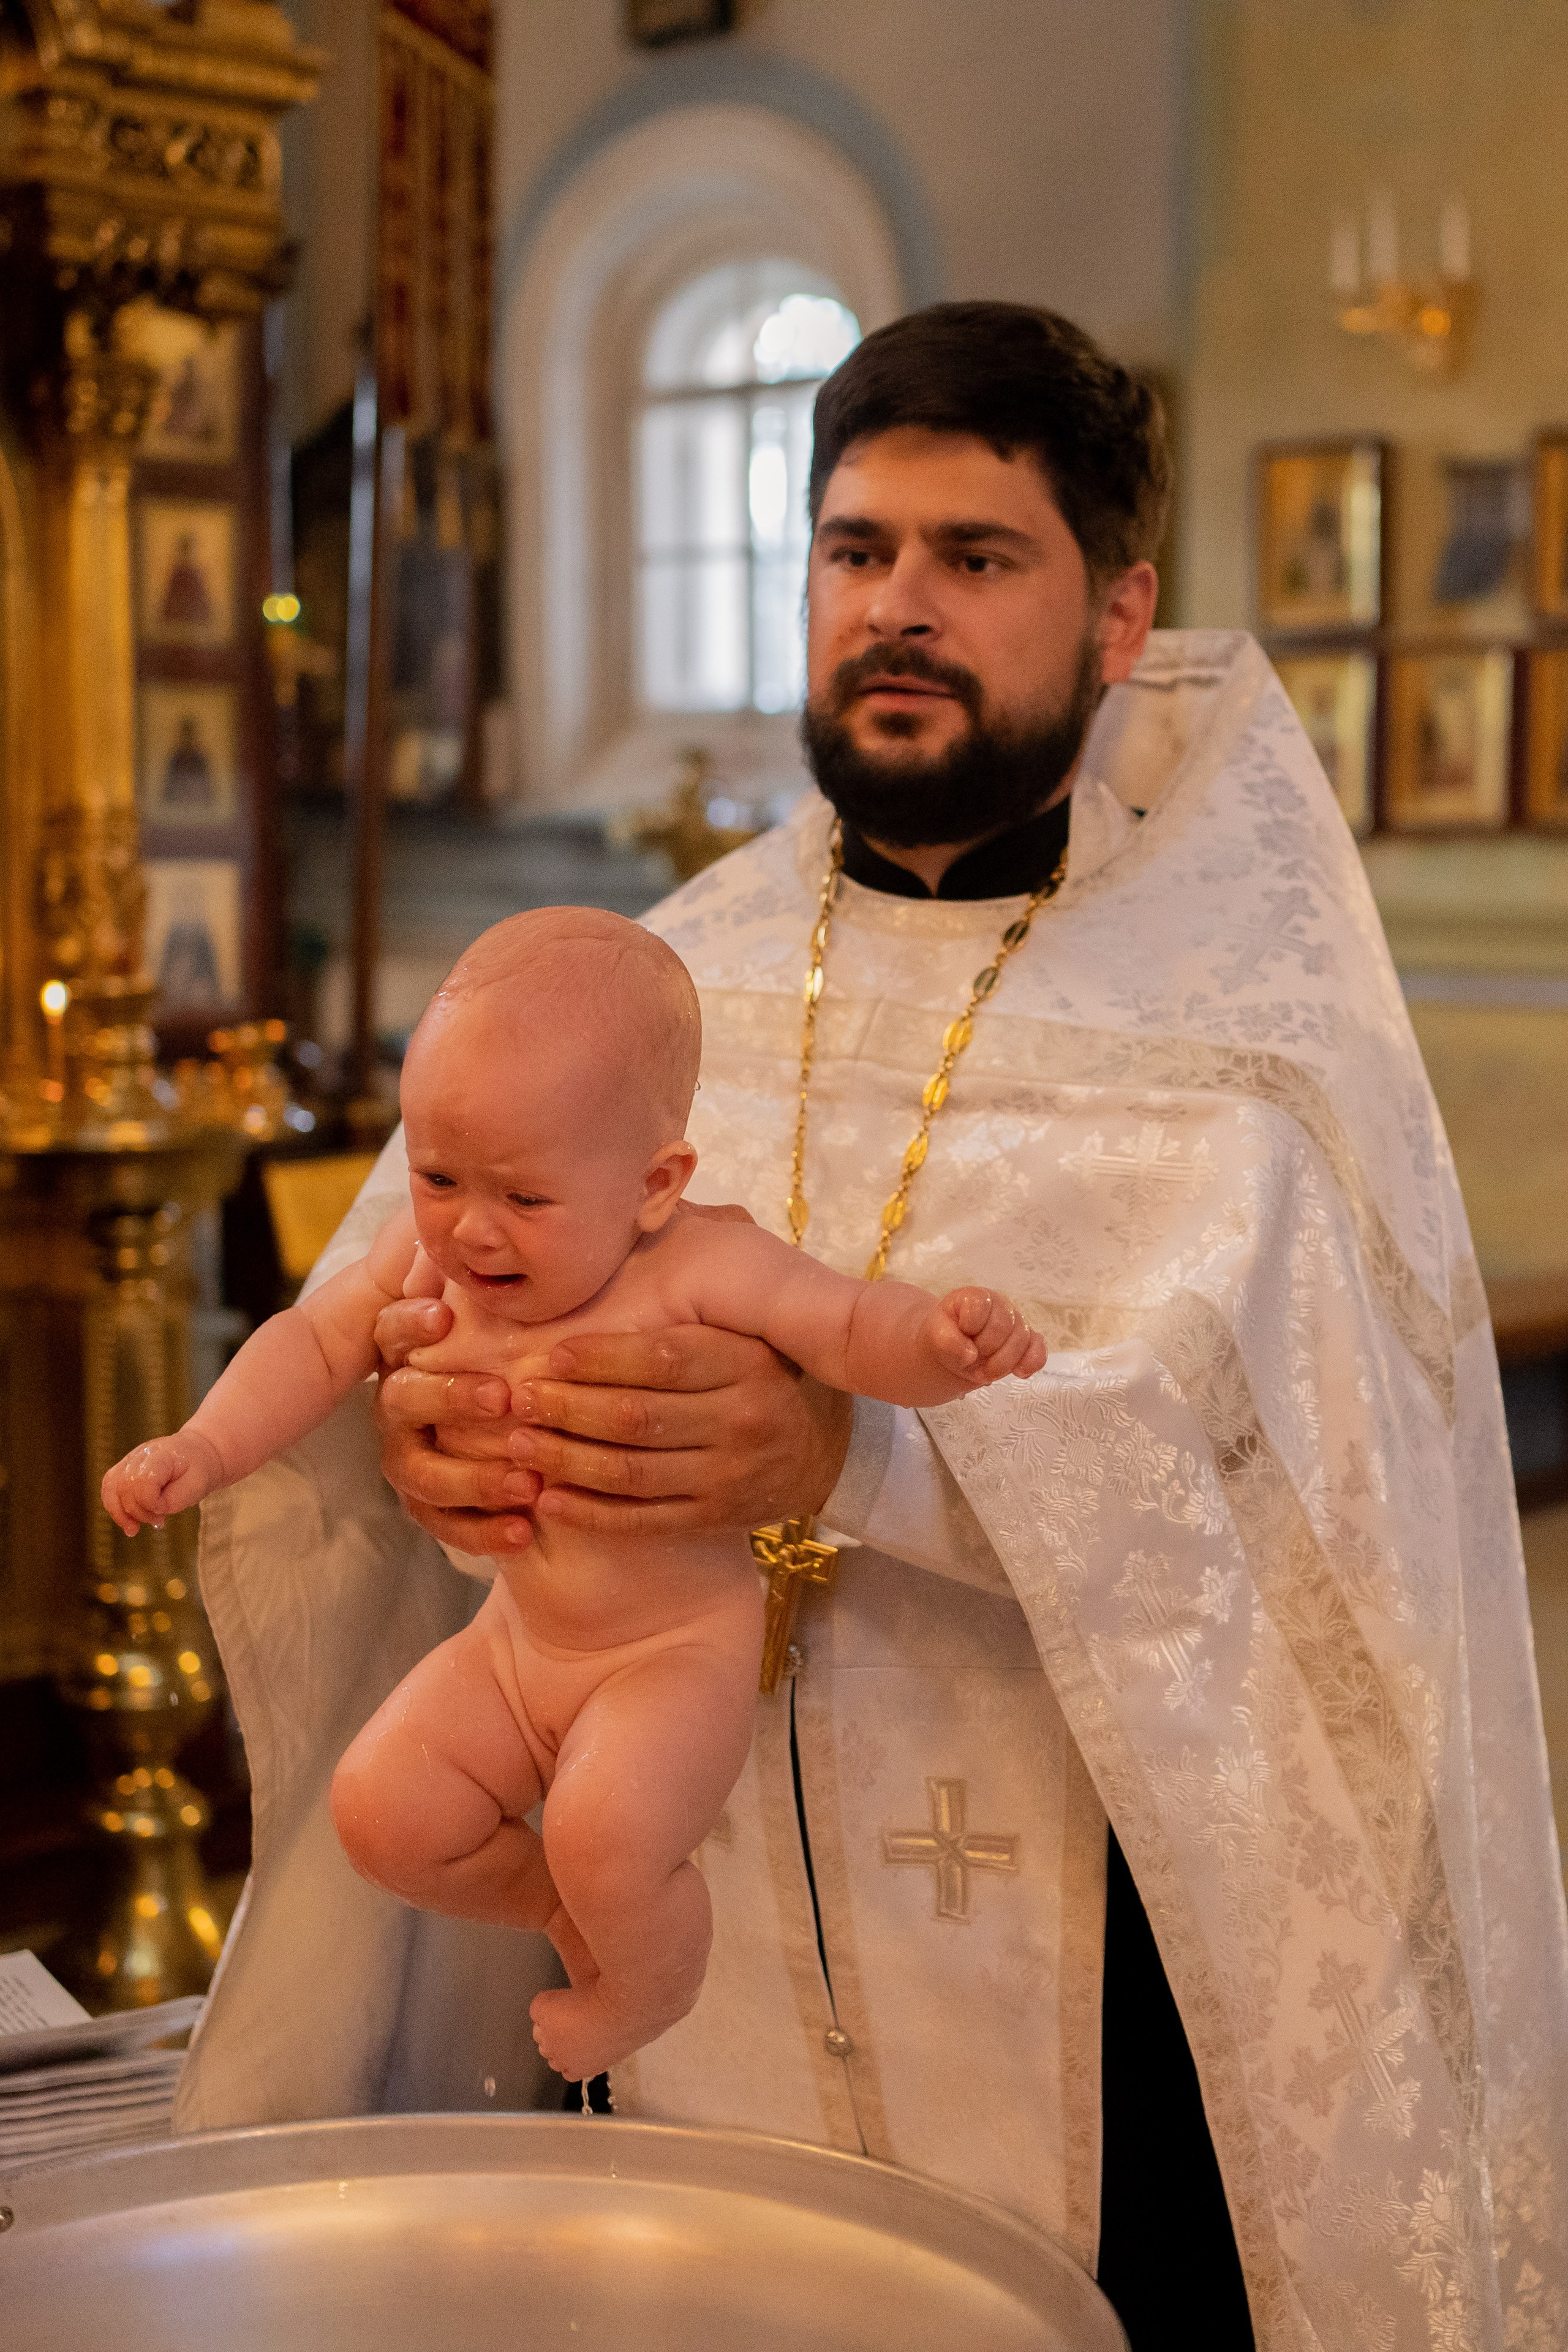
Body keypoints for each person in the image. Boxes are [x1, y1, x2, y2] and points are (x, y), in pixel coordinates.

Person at [176, 304, 1568, 2351]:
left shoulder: (1250, 1046)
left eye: (975, 560)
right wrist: (424, 1445)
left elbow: (1290, 1529)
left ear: (1116, 615)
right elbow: (384, 1313)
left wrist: (855, 1454)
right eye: (856, 552)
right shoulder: (651, 976)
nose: (898, 609)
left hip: (1084, 1953)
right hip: (665, 1904)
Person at [106, 907, 1043, 2082]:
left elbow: (854, 1329)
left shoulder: (704, 1265)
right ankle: (555, 1911)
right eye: (437, 1175)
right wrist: (203, 1445)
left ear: (656, 1184)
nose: (469, 1229)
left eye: (524, 1199)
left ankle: (648, 1979)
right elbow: (312, 1345)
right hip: (516, 1644)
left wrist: (941, 1343)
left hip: (671, 1651)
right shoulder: (431, 1251)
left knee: (607, 1832)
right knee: (382, 1809)